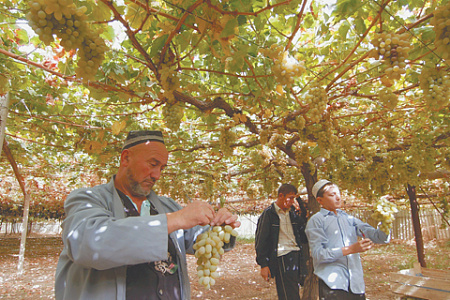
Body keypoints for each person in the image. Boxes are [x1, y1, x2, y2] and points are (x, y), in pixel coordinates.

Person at [55, 130, 240, 300]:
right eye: (153, 164)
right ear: (125, 158)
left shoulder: (167, 206)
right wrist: (177, 219)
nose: (157, 175)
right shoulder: (88, 199)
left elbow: (200, 241)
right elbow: (89, 243)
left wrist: (220, 228)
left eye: (162, 168)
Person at [305, 179, 390, 300]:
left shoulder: (348, 218)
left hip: (355, 283)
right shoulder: (316, 221)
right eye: (332, 195)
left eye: (338, 194)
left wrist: (386, 214)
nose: (338, 198)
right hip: (333, 285)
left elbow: (379, 237)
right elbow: (318, 254)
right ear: (320, 200)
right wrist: (350, 249)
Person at [255, 183, 309, 300]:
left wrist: (302, 209)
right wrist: (263, 264)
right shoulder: (269, 214)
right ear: (281, 196)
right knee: (288, 293)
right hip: (282, 256)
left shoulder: (292, 214)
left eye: (294, 198)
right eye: (290, 198)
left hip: (297, 255)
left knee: (295, 289)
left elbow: (304, 236)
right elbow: (261, 240)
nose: (292, 201)